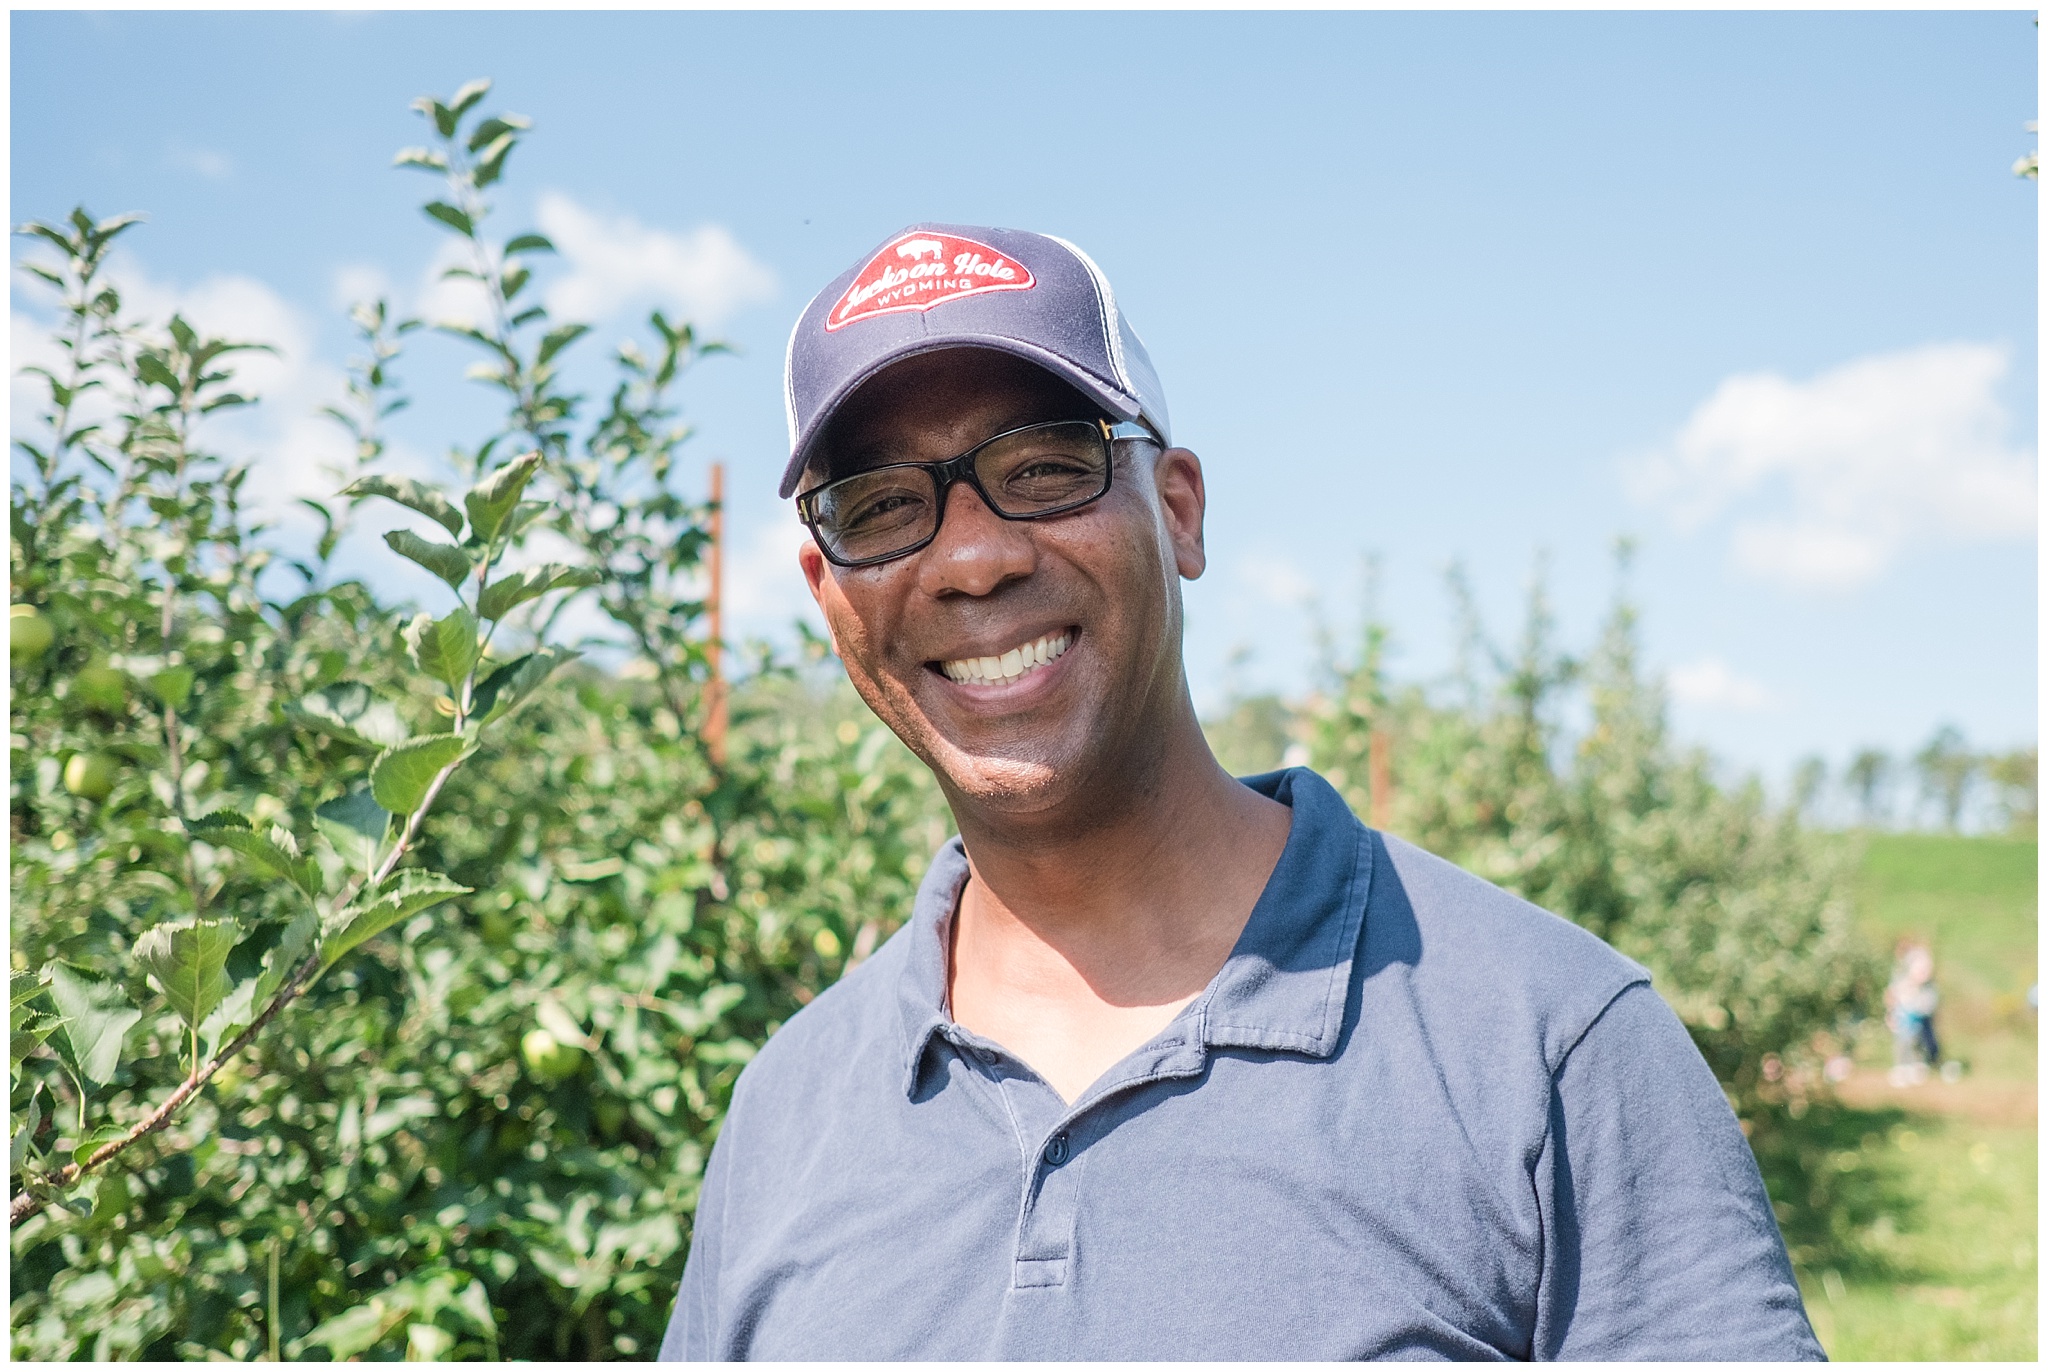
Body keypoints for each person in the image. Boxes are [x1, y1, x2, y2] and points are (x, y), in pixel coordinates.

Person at [659, 223, 1823, 1360]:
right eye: (880, 506)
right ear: (825, 589)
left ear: (1177, 509)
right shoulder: (784, 1116)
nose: (973, 558)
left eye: (1044, 467)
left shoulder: (1545, 1043)